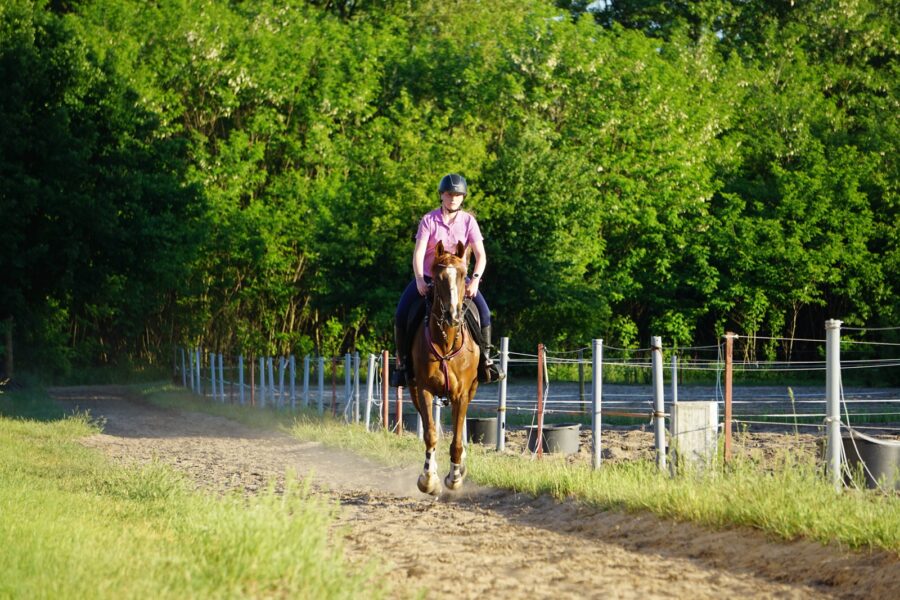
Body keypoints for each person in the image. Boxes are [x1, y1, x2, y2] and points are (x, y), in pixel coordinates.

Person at [392, 173, 503, 386]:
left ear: (463, 198)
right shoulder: (428, 220)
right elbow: (418, 253)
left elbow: (481, 255)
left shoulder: (469, 222)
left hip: (460, 280)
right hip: (429, 277)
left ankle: (486, 362)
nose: (453, 198)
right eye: (449, 194)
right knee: (401, 313)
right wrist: (419, 280)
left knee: (485, 313)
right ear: (441, 195)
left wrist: (475, 281)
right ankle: (404, 364)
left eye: (458, 195)